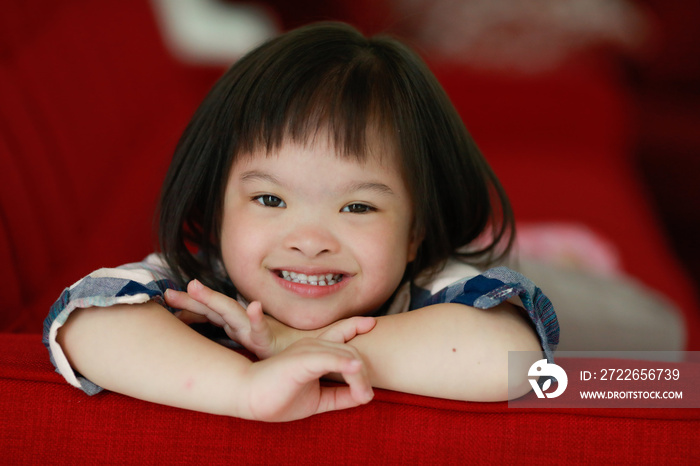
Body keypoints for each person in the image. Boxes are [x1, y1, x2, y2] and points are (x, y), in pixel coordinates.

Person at [43, 22, 559, 422]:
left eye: (357, 207)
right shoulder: (197, 288)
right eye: (269, 199)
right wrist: (242, 390)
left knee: (626, 370)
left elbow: (519, 362)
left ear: (414, 234)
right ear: (215, 209)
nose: (309, 241)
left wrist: (301, 346)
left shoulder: (428, 287)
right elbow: (89, 322)